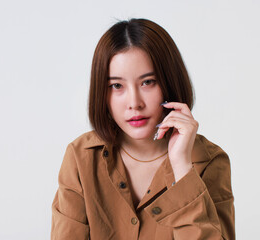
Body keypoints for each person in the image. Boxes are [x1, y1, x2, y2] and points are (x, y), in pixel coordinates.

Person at [51, 18, 235, 240]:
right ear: (103, 93)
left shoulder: (209, 161)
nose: (134, 102)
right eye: (117, 86)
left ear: (169, 82)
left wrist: (182, 168)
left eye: (148, 82)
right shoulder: (81, 157)